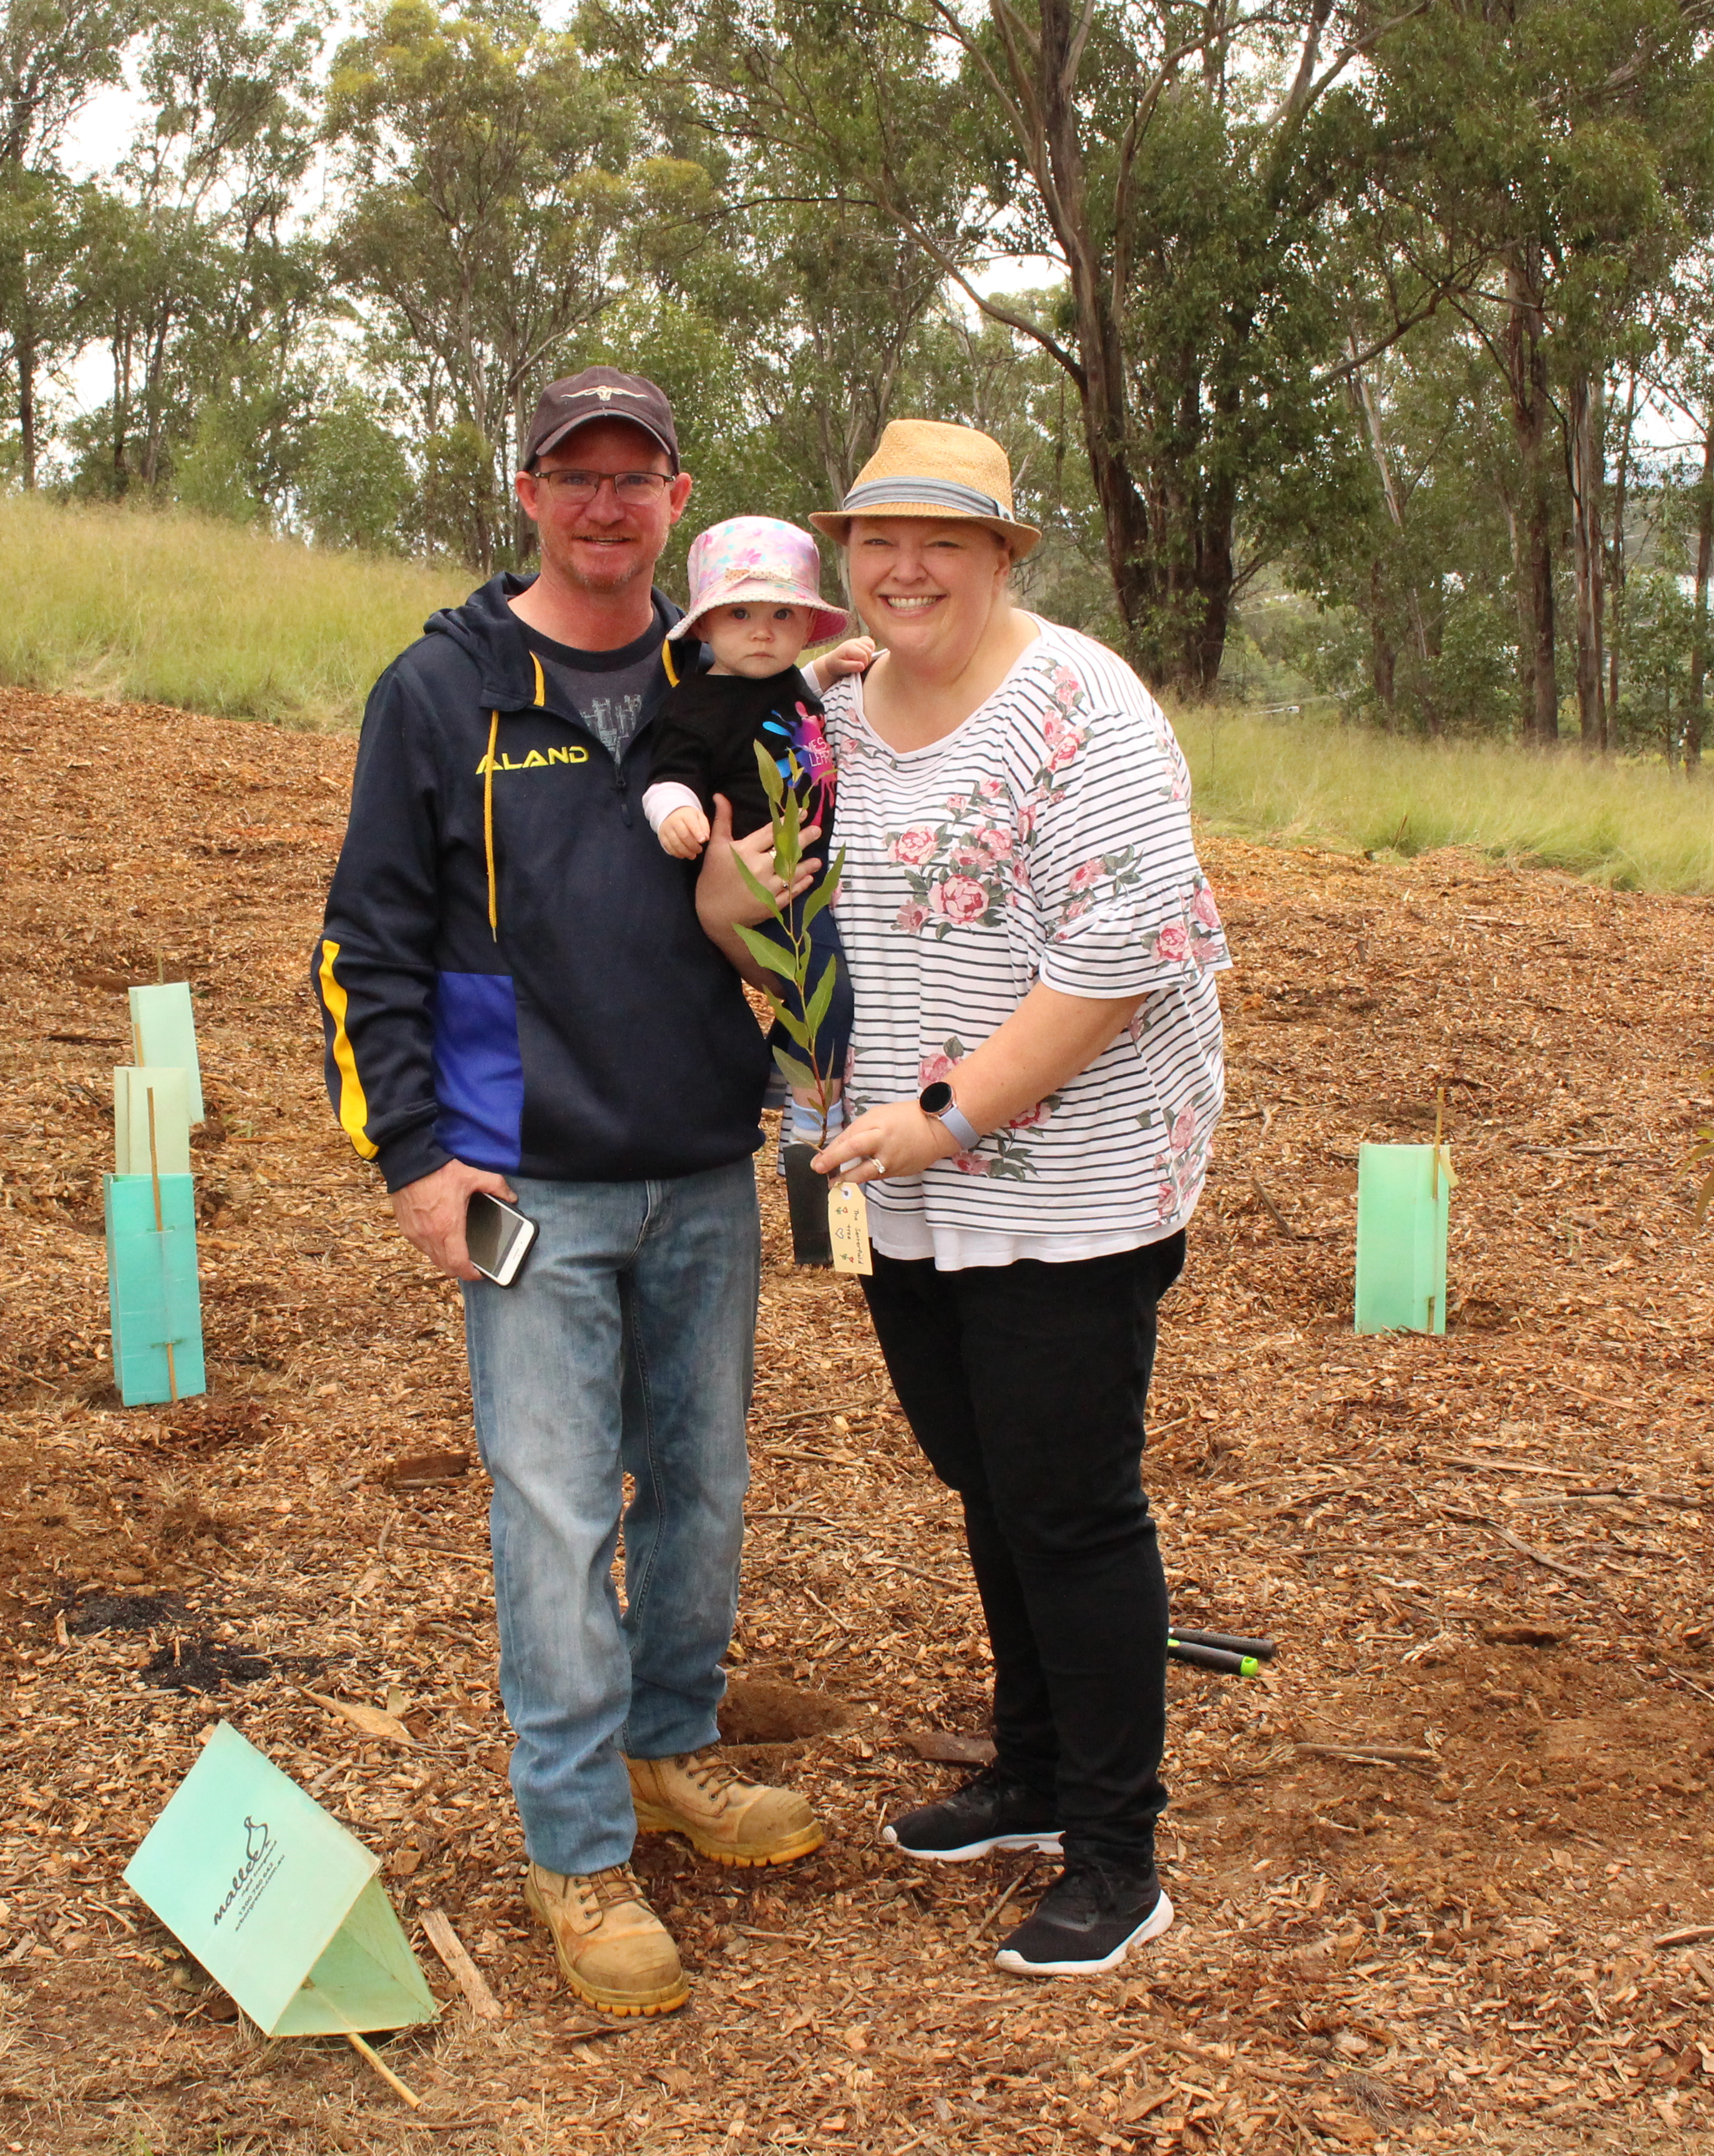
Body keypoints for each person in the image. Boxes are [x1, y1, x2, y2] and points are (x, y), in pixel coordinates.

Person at [312, 366, 824, 2021]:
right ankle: (577, 1845)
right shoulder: (444, 690)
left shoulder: (734, 676)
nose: (607, 506)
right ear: (526, 492)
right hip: (526, 1177)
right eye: (574, 476)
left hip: (700, 1162)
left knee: (699, 1488)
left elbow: (811, 896)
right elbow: (366, 945)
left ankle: (672, 1748)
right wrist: (411, 1156)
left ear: (679, 500)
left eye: (638, 478)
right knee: (551, 1519)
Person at [696, 417, 1229, 1978]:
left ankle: (1117, 1853)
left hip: (1066, 1176)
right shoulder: (828, 714)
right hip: (892, 1173)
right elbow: (775, 920)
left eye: (944, 540)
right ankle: (1032, 1768)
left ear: (1003, 557)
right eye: (877, 540)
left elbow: (1118, 961)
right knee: (982, 1475)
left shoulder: (1083, 711)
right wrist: (728, 914)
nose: (906, 566)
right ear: (842, 561)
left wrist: (948, 1114)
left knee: (1066, 1498)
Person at [638, 515, 859, 1145]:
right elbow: (669, 775)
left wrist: (827, 672)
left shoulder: (788, 682)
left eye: (783, 617)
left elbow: (785, 708)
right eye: (740, 615)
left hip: (809, 872)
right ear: (705, 623)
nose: (762, 631)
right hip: (767, 880)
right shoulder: (694, 704)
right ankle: (813, 1117)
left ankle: (776, 1067)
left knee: (825, 982)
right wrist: (675, 812)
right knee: (826, 990)